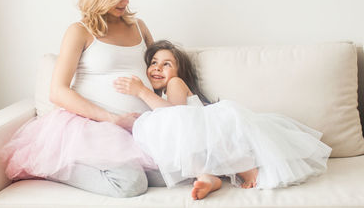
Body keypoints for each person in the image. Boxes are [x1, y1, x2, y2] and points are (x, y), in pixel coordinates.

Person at [0, 0, 166, 198]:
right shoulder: (80, 31)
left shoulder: (140, 26)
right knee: (131, 184)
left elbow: (158, 72)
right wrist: (111, 119)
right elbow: (58, 91)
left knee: (172, 174)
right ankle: (53, 163)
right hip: (95, 126)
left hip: (138, 128)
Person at [113, 40, 332, 200]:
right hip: (199, 143)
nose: (158, 68)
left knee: (198, 136)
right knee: (188, 146)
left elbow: (175, 115)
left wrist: (141, 92)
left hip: (210, 128)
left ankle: (245, 168)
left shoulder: (175, 84)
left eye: (167, 64)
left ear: (180, 71)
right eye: (153, 62)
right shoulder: (161, 95)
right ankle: (208, 177)